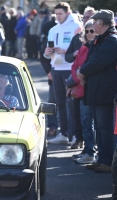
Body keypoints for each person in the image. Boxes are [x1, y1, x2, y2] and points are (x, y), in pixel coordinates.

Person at [77, 10, 117, 173]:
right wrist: (82, 70)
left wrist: (82, 71)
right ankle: (101, 158)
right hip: (96, 89)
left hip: (104, 91)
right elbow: (91, 60)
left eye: (94, 21)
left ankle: (107, 161)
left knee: (104, 127)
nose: (92, 24)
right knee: (100, 128)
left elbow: (97, 63)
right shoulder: (101, 39)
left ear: (101, 23)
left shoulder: (112, 41)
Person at [44, 2, 81, 145]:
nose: (58, 16)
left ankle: (75, 135)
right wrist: (47, 53)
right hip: (56, 68)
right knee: (59, 103)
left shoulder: (76, 27)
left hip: (70, 69)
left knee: (71, 103)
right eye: (56, 14)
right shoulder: (53, 29)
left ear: (67, 13)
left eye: (60, 13)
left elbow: (81, 50)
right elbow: (49, 50)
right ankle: (64, 133)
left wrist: (66, 52)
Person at [65, 19, 97, 163]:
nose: (90, 33)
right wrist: (72, 82)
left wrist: (72, 81)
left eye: (93, 30)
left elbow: (84, 70)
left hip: (89, 90)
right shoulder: (84, 47)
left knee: (89, 123)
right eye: (88, 31)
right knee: (84, 123)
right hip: (80, 89)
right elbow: (75, 67)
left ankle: (90, 152)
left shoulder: (95, 48)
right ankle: (87, 150)